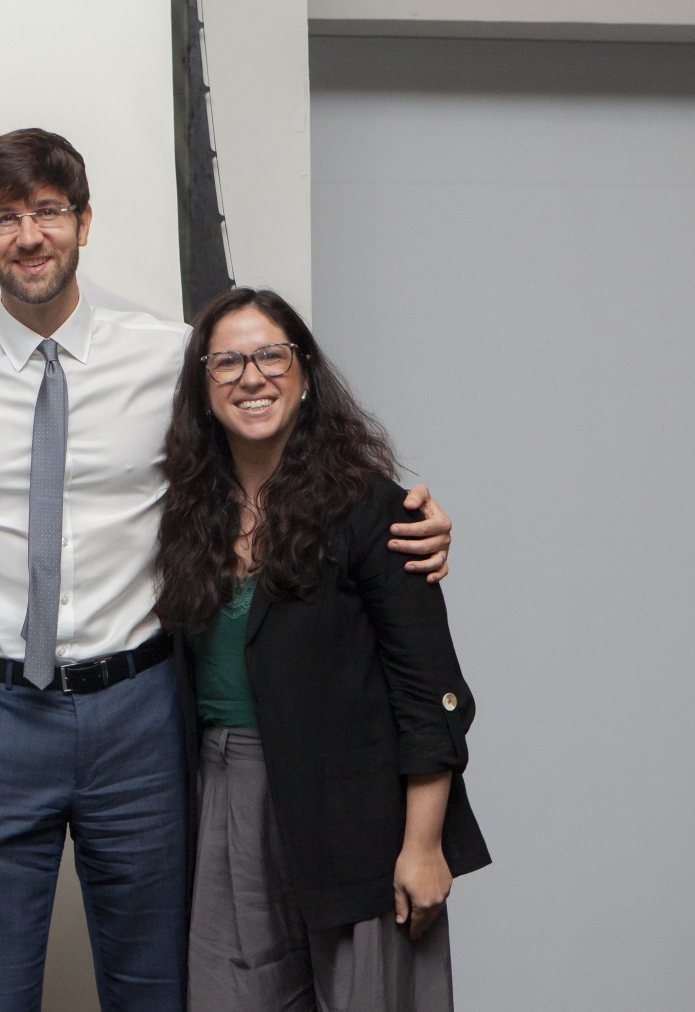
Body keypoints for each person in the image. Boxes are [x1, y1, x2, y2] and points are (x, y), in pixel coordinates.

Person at [0, 128, 455, 1012]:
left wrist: (402, 515)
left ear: (85, 222)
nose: (29, 235)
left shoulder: (172, 357)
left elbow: (279, 438)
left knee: (157, 986)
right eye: (4, 218)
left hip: (137, 714)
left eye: (49, 211)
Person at [157, 287, 489, 1011]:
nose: (251, 376)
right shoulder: (186, 515)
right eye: (227, 362)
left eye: (272, 356)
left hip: (358, 812)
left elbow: (428, 692)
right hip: (226, 797)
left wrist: (424, 846)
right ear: (202, 388)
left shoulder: (374, 509)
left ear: (305, 372)